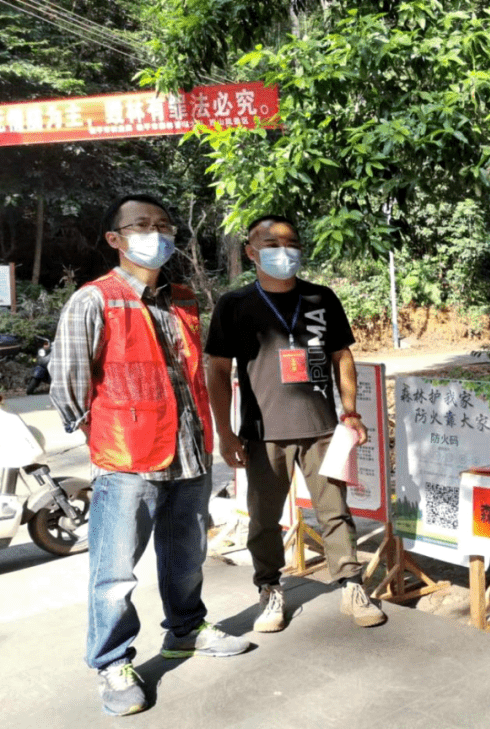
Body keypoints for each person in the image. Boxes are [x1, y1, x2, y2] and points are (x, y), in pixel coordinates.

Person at [50, 194, 250, 717]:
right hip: (126, 461)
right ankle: (112, 661)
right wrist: (110, 436)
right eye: (141, 225)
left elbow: (190, 375)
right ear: (115, 239)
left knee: (185, 559)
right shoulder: (93, 300)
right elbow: (67, 388)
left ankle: (186, 631)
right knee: (115, 574)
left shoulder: (183, 297)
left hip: (190, 455)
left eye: (163, 225)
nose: (155, 233)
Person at [206, 215, 386, 635]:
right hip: (263, 432)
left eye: (291, 243)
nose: (282, 251)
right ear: (250, 251)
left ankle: (351, 584)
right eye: (270, 243)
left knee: (335, 512)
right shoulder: (234, 305)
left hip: (323, 428)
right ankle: (270, 589)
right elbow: (216, 371)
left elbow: (342, 356)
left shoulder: (321, 298)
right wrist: (225, 431)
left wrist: (350, 409)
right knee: (264, 518)